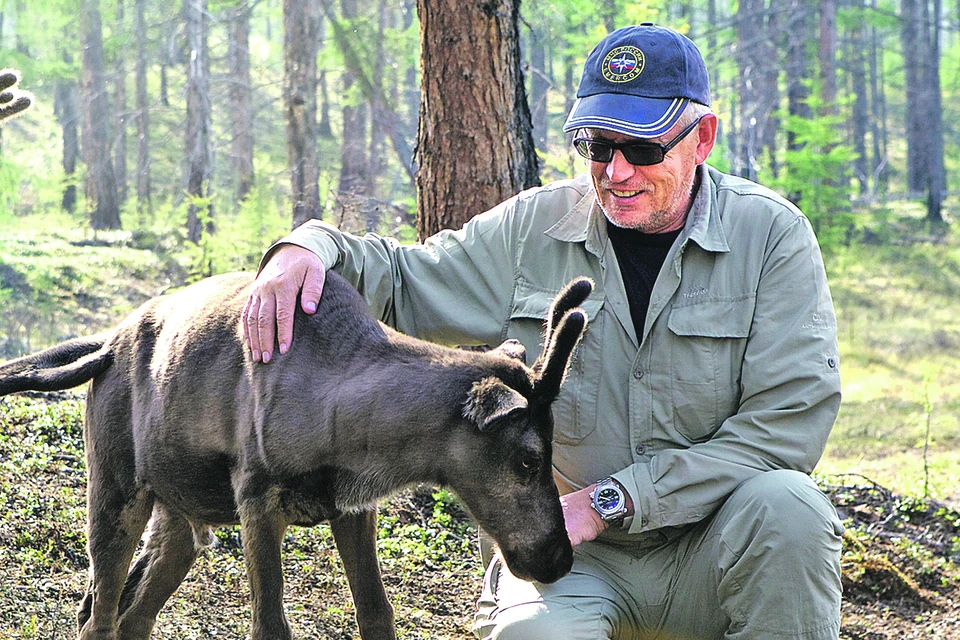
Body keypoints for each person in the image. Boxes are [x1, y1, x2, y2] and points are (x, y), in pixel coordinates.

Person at [243, 23, 844, 640]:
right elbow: (405, 278)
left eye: (642, 148)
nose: (615, 171)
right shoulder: (534, 229)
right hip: (571, 560)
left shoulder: (771, 238)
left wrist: (618, 500)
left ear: (704, 139)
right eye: (596, 143)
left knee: (791, 509)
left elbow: (787, 425)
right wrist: (305, 247)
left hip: (715, 549)